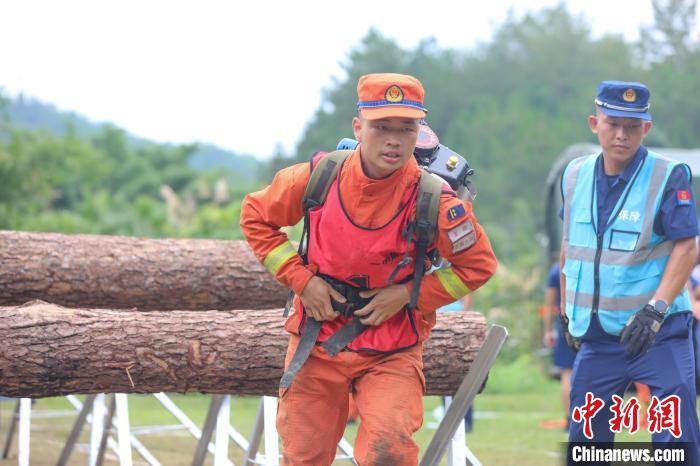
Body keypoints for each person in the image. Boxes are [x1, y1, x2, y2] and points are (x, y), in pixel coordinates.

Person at [240, 73, 497, 465]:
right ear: (358, 127)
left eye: (406, 128)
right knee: (303, 456)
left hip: (393, 348)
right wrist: (301, 280)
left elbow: (477, 265)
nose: (393, 139)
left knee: (388, 452)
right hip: (317, 341)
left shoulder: (434, 200)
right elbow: (256, 215)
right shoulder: (319, 176)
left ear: (419, 132)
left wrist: (410, 295)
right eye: (382, 127)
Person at [560, 80, 700, 462]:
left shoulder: (668, 176)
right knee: (586, 445)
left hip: (659, 334)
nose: (621, 134)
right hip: (599, 338)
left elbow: (688, 247)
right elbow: (570, 246)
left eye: (632, 126)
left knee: (675, 442)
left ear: (646, 129)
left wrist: (655, 310)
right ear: (594, 123)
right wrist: (567, 310)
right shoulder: (573, 175)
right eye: (612, 123)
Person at [541, 262, 576, 429]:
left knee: (567, 374)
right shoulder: (586, 262)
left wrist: (548, 331)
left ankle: (571, 419)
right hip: (590, 322)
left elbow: (549, 304)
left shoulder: (556, 270)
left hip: (566, 325)